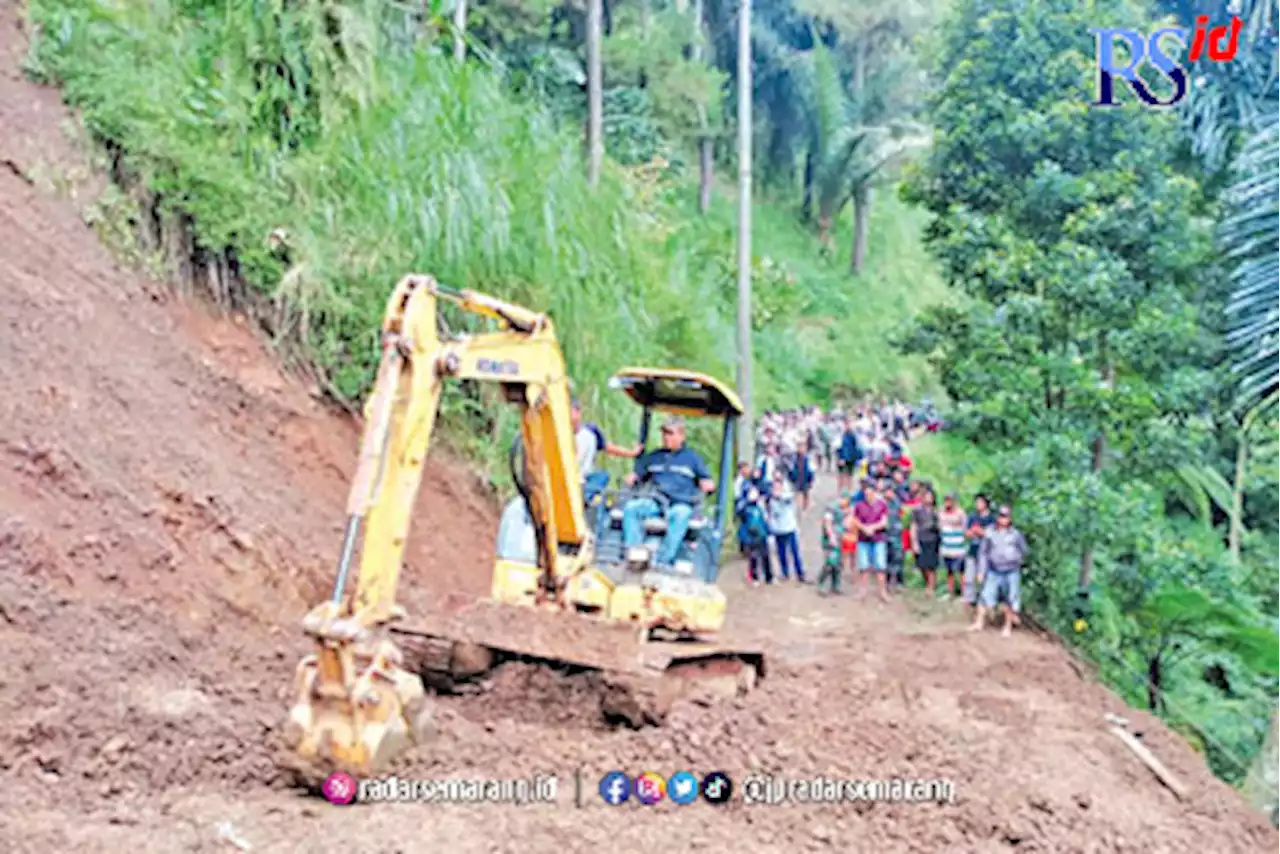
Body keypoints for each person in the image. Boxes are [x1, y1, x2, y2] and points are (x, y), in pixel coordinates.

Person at [621, 416, 715, 569]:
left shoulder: (692, 458)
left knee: (680, 514)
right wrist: (632, 478)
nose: (666, 437)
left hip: (680, 502)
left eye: (670, 433)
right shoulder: (654, 457)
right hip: (656, 501)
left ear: (681, 435)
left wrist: (707, 485)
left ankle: (663, 560)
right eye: (664, 433)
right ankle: (635, 553)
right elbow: (638, 474)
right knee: (632, 508)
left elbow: (707, 480)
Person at [971, 505, 1029, 637]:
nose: (1003, 519)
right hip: (994, 569)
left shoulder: (1015, 534)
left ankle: (1007, 626)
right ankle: (979, 622)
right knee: (985, 595)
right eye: (1001, 516)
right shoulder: (990, 533)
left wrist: (1017, 560)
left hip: (1011, 570)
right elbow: (983, 553)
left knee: (1010, 598)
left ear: (1010, 518)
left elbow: (1024, 550)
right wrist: (981, 571)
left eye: (1006, 516)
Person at [571, 397, 641, 484]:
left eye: (570, 412)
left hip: (583, 481)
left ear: (578, 412)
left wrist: (632, 453)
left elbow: (609, 447)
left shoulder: (591, 432)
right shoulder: (560, 436)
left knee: (602, 476)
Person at [852, 481, 891, 603]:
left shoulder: (882, 505)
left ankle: (882, 591)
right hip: (863, 539)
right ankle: (862, 591)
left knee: (880, 566)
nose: (868, 495)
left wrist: (872, 528)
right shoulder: (859, 505)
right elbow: (855, 520)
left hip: (878, 538)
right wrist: (864, 528)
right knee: (863, 566)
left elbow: (884, 521)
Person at [769, 475, 806, 583]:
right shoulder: (771, 500)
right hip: (778, 530)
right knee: (781, 553)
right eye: (774, 488)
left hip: (789, 528)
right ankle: (785, 573)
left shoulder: (787, 496)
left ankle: (800, 573)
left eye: (778, 487)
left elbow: (786, 498)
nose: (776, 490)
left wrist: (778, 495)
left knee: (794, 552)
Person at [963, 494, 995, 613]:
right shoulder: (972, 517)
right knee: (969, 577)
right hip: (973, 549)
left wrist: (980, 531)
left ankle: (985, 599)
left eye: (980, 502)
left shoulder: (991, 518)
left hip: (986, 552)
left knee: (984, 577)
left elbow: (992, 534)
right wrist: (972, 532)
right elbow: (966, 533)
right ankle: (969, 599)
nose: (978, 505)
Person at [910, 487, 941, 595]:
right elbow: (913, 526)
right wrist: (914, 541)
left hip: (933, 540)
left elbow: (940, 526)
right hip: (921, 539)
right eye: (926, 496)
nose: (928, 499)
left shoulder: (936, 511)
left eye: (930, 497)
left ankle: (931, 587)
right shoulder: (917, 510)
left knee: (931, 565)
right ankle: (927, 583)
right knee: (922, 565)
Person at [741, 487, 773, 587]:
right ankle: (755, 578)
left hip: (762, 535)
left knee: (765, 556)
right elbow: (743, 520)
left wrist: (768, 532)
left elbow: (764, 520)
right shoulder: (745, 507)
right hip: (751, 537)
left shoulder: (760, 507)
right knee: (753, 558)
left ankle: (769, 577)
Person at [939, 493, 968, 599]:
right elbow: (940, 525)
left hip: (958, 546)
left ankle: (964, 593)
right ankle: (950, 592)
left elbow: (965, 528)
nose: (948, 502)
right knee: (949, 571)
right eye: (946, 500)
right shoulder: (941, 512)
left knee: (961, 571)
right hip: (946, 546)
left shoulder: (960, 513)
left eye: (950, 500)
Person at [883, 478, 906, 588]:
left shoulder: (896, 502)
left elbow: (902, 515)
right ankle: (887, 581)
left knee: (898, 558)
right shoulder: (881, 503)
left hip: (896, 533)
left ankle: (899, 581)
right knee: (886, 557)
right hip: (885, 534)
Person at [817, 499, 844, 595]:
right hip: (830, 541)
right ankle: (821, 583)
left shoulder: (842, 509)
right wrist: (832, 537)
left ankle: (836, 584)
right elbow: (827, 524)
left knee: (838, 564)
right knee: (830, 563)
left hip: (839, 539)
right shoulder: (831, 509)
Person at [789, 440, 816, 513]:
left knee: (806, 494)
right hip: (797, 479)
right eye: (799, 447)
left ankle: (806, 509)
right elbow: (791, 469)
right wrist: (792, 478)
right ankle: (799, 510)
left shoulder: (808, 458)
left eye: (803, 447)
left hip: (806, 479)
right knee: (798, 496)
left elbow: (812, 470)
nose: (801, 449)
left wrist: (811, 480)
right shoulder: (794, 458)